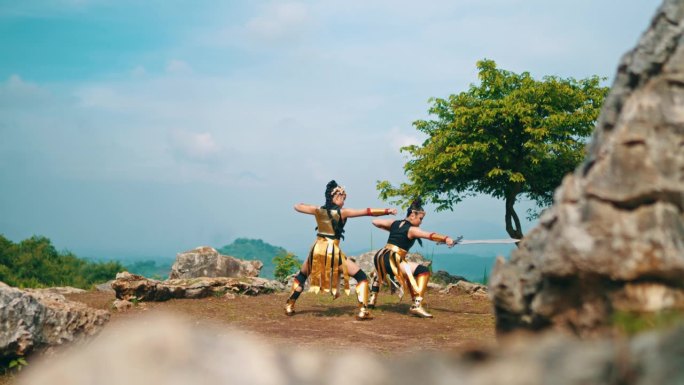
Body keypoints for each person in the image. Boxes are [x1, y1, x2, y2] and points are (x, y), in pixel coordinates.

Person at [285, 180, 397, 320]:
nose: (343, 201)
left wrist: (310, 205)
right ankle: (363, 310)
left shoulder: (317, 210)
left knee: (302, 276)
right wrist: (387, 211)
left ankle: (290, 304)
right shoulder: (343, 212)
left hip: (317, 249)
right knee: (361, 277)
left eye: (344, 198)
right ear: (334, 197)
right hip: (332, 250)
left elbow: (297, 206)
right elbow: (367, 212)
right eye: (341, 198)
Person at [368, 198, 457, 318]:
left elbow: (375, 222)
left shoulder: (394, 224)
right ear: (412, 215)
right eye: (420, 219)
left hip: (380, 256)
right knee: (423, 271)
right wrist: (446, 238)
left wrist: (389, 217)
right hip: (393, 260)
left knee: (385, 270)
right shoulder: (412, 230)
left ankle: (371, 300)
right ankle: (416, 305)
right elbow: (428, 235)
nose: (421, 222)